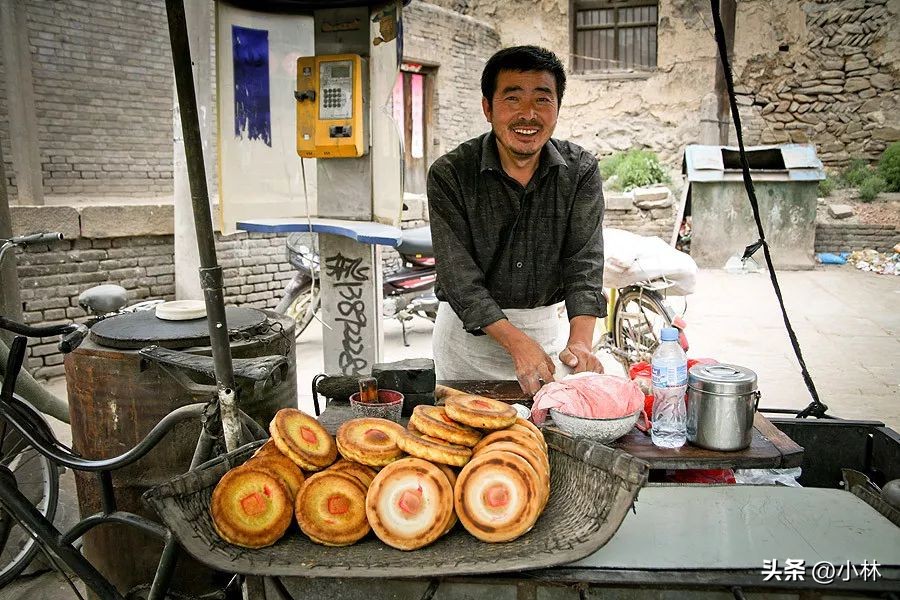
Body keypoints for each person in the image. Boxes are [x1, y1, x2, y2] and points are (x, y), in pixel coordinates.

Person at [427, 45, 605, 395]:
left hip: (544, 338)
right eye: (513, 99)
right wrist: (516, 344)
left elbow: (583, 265)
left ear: (557, 108)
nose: (528, 115)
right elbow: (459, 280)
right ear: (488, 108)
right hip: (466, 344)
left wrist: (581, 344)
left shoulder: (581, 171)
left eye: (542, 100)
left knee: (542, 443)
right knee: (465, 443)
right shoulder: (451, 174)